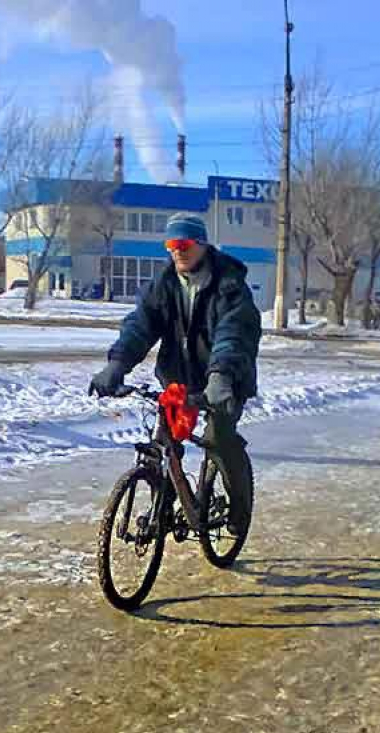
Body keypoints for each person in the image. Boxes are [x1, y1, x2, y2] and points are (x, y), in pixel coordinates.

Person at [88, 213, 261, 536]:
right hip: (179, 378)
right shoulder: (164, 285)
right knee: (164, 440)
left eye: (183, 243)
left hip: (225, 380)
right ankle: (162, 508)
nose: (177, 251)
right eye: (170, 245)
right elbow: (140, 326)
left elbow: (233, 334)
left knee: (217, 439)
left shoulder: (230, 285)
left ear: (202, 244)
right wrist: (117, 365)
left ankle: (240, 507)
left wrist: (221, 375)